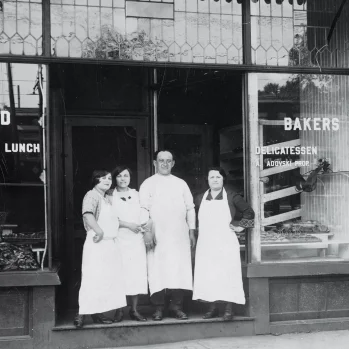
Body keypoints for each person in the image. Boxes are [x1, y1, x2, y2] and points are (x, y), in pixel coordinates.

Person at [139, 150, 196, 321]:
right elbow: (143, 209)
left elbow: (190, 208)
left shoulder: (181, 184)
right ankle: (158, 308)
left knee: (178, 269)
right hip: (158, 235)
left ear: (173, 163)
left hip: (179, 235)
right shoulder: (148, 184)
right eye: (161, 160)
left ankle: (176, 306)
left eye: (168, 161)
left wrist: (192, 231)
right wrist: (147, 233)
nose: (165, 164)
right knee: (157, 270)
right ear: (155, 163)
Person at [192, 167, 254, 321]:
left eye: (218, 177)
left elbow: (249, 212)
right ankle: (212, 308)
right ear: (207, 179)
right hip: (206, 243)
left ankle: (228, 309)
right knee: (209, 275)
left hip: (225, 242)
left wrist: (240, 226)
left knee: (227, 274)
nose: (214, 180)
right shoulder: (200, 198)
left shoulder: (232, 197)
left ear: (223, 179)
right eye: (211, 177)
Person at [73, 170, 126, 329]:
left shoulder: (107, 198)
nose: (107, 180)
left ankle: (98, 313)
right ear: (95, 180)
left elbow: (114, 220)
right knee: (92, 278)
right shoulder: (92, 195)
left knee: (104, 280)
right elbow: (88, 215)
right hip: (96, 242)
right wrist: (99, 231)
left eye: (110, 178)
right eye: (103, 178)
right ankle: (81, 314)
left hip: (109, 244)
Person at [111, 165, 149, 322]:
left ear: (130, 178)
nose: (123, 179)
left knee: (136, 274)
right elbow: (109, 218)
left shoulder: (137, 194)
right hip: (119, 239)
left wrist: (143, 226)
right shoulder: (110, 196)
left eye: (125, 175)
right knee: (120, 274)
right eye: (119, 176)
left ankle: (134, 310)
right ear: (115, 178)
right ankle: (119, 310)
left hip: (136, 240)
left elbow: (145, 212)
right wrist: (128, 225)